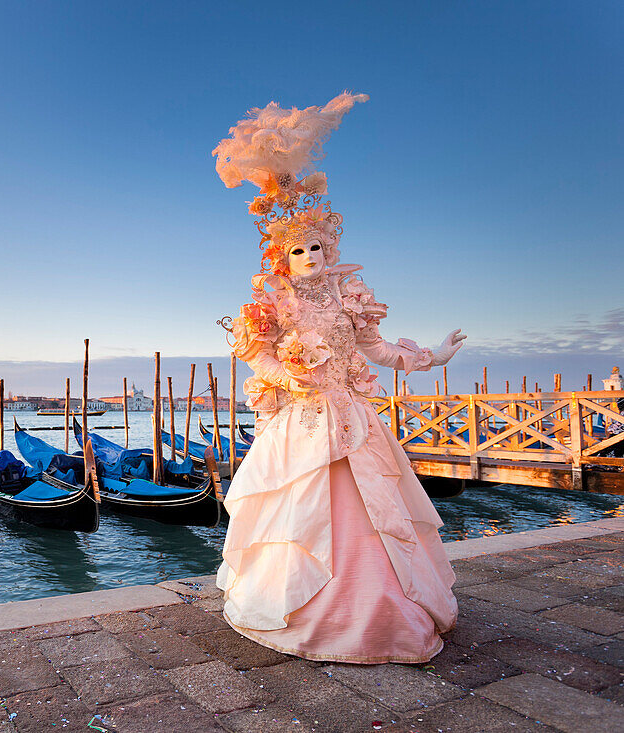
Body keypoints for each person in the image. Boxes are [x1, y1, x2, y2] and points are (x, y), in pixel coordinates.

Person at [213, 92, 465, 663]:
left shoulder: (352, 298)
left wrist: (434, 355)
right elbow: (258, 360)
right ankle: (308, 608)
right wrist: (295, 379)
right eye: (298, 249)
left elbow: (377, 350)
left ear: (331, 249)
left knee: (376, 514)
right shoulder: (270, 306)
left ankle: (379, 608)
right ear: (284, 257)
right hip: (302, 424)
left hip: (352, 418)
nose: (309, 255)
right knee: (299, 520)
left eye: (317, 246)